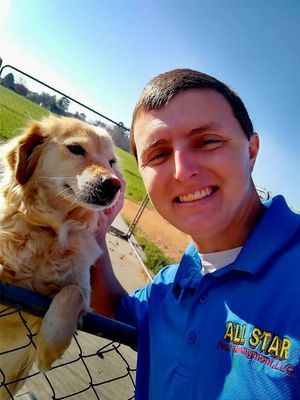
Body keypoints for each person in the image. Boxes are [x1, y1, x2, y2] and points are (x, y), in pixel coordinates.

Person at [91, 69, 300, 400]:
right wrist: (96, 228)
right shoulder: (171, 284)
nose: (182, 170)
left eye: (207, 141)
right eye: (158, 154)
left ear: (251, 151)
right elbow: (110, 307)